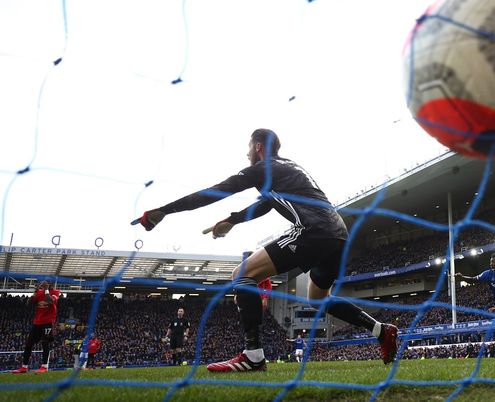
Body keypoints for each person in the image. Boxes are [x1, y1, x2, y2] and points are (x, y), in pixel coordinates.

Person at [136, 128, 398, 372]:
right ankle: (380, 330)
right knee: (318, 299)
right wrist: (232, 220)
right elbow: (266, 204)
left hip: (313, 231)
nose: (246, 153)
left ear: (258, 147)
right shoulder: (288, 167)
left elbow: (214, 192)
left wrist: (163, 211)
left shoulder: (262, 168)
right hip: (337, 234)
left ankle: (253, 356)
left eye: (248, 148)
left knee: (242, 274)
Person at [12, 280, 61, 374]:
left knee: (45, 343)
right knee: (28, 344)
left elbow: (50, 301)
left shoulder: (55, 292)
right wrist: (35, 292)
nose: (44, 284)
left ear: (50, 284)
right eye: (43, 283)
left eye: (46, 283)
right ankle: (24, 367)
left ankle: (44, 366)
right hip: (37, 322)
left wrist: (46, 290)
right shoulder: (39, 292)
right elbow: (28, 304)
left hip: (48, 321)